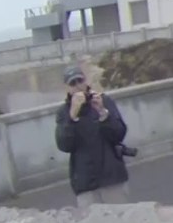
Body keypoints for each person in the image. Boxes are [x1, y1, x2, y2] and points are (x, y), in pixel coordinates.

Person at [55, 65, 130, 207]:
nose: (78, 86)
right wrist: (72, 117)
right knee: (92, 220)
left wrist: (103, 113)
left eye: (80, 81)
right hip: (86, 183)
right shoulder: (64, 112)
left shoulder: (104, 101)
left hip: (112, 177)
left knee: (121, 216)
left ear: (86, 81)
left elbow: (119, 133)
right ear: (67, 88)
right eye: (73, 83)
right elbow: (64, 145)